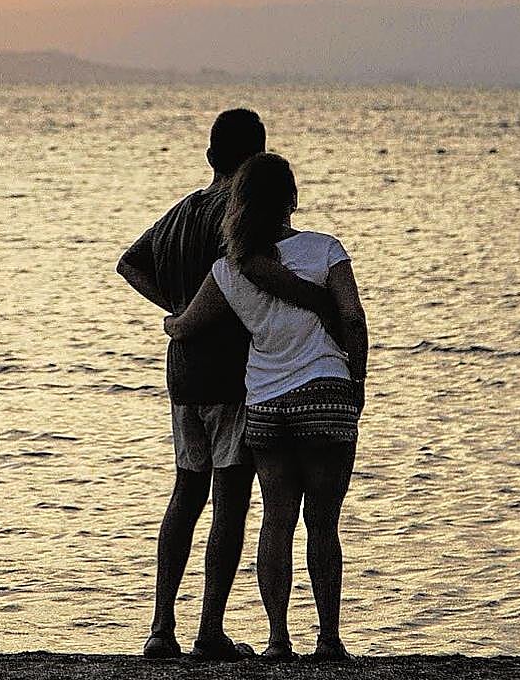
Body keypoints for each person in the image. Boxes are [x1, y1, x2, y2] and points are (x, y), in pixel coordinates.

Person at [117, 110, 332, 661]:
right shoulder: (240, 215)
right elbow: (253, 272)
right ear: (258, 160)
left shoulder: (184, 211)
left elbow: (130, 263)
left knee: (186, 492)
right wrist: (320, 302)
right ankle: (209, 628)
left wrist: (179, 310)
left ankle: (161, 626)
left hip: (184, 373)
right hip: (233, 375)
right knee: (230, 501)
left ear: (211, 157)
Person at [163, 152, 368, 663]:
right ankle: (328, 640)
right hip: (324, 396)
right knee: (323, 524)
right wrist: (357, 379)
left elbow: (189, 324)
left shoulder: (228, 269)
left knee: (276, 521)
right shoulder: (325, 250)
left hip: (266, 404)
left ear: (239, 203)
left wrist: (169, 325)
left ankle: (279, 640)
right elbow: (354, 320)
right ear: (291, 200)